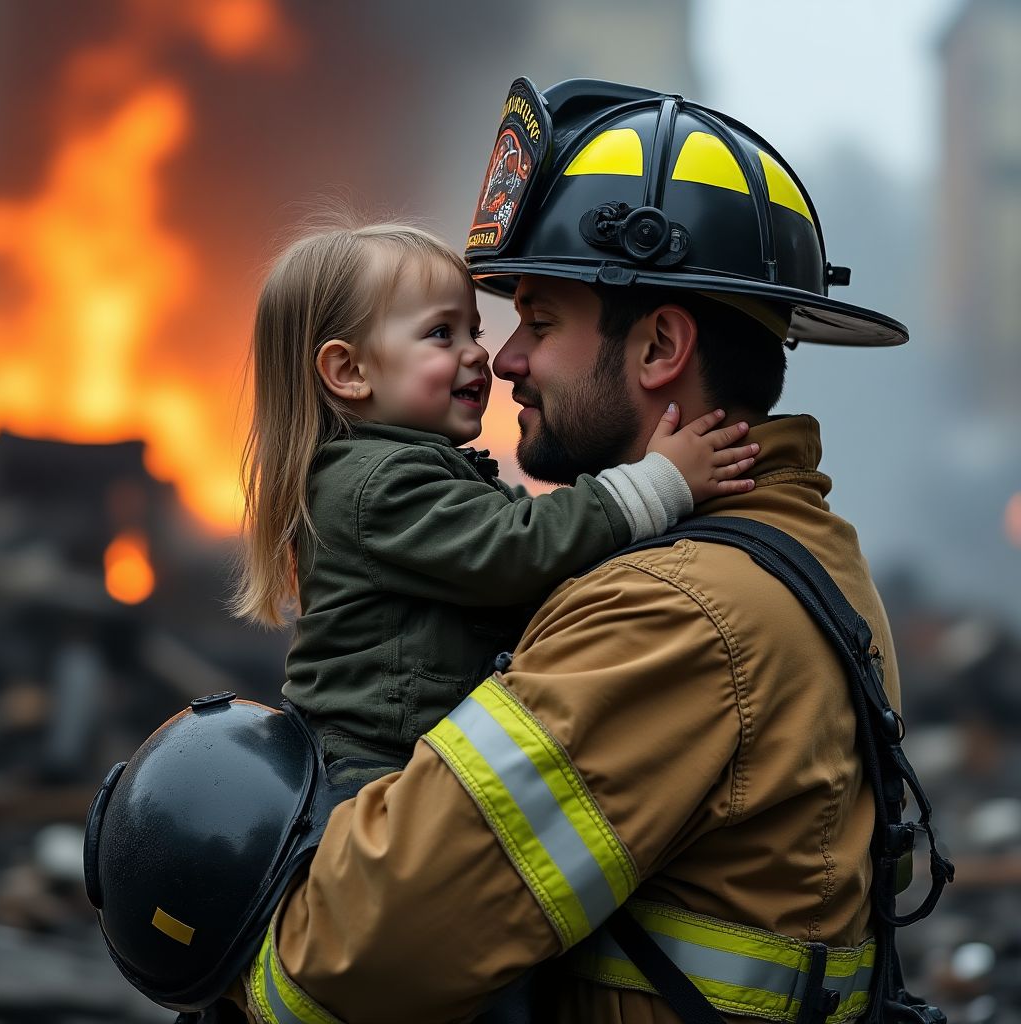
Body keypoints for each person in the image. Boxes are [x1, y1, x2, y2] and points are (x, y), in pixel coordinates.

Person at [86, 79, 939, 1024]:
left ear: (659, 345)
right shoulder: (795, 547)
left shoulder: (676, 614)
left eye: (538, 321)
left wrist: (244, 974)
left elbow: (355, 950)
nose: (506, 361)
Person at [231, 223, 758, 776]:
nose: (482, 357)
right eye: (441, 334)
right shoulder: (375, 485)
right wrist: (658, 484)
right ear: (350, 371)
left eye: (473, 333)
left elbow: (534, 532)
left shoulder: (418, 470)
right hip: (372, 772)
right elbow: (518, 547)